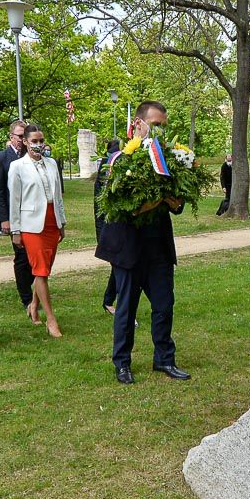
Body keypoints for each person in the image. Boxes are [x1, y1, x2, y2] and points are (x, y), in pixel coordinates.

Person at [95, 100, 190, 384]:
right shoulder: (118, 161)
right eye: (156, 125)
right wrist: (156, 200)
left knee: (164, 305)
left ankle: (164, 359)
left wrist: (173, 198)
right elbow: (117, 207)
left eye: (164, 126)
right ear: (138, 124)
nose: (160, 130)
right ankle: (122, 363)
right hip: (128, 249)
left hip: (158, 246)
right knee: (126, 308)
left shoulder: (169, 158)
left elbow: (178, 204)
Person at [8, 124, 67, 338]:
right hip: (30, 225)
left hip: (51, 222)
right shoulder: (17, 166)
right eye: (34, 141)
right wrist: (15, 230)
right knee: (40, 271)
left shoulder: (52, 163)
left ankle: (33, 306)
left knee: (44, 270)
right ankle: (50, 319)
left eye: (41, 141)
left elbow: (58, 196)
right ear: (25, 142)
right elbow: (14, 200)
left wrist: (61, 222)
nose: (38, 145)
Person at [0, 120, 35, 311]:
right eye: (20, 136)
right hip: (14, 215)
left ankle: (33, 289)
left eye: (25, 136)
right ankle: (26, 297)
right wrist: (4, 219)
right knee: (22, 256)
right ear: (11, 137)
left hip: (33, 214)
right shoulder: (0, 158)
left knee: (34, 256)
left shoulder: (31, 157)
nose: (22, 140)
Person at [94, 139, 121, 313]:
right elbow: (101, 201)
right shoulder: (110, 163)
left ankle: (109, 301)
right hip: (111, 224)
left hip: (112, 224)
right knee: (120, 266)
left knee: (120, 266)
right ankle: (112, 302)